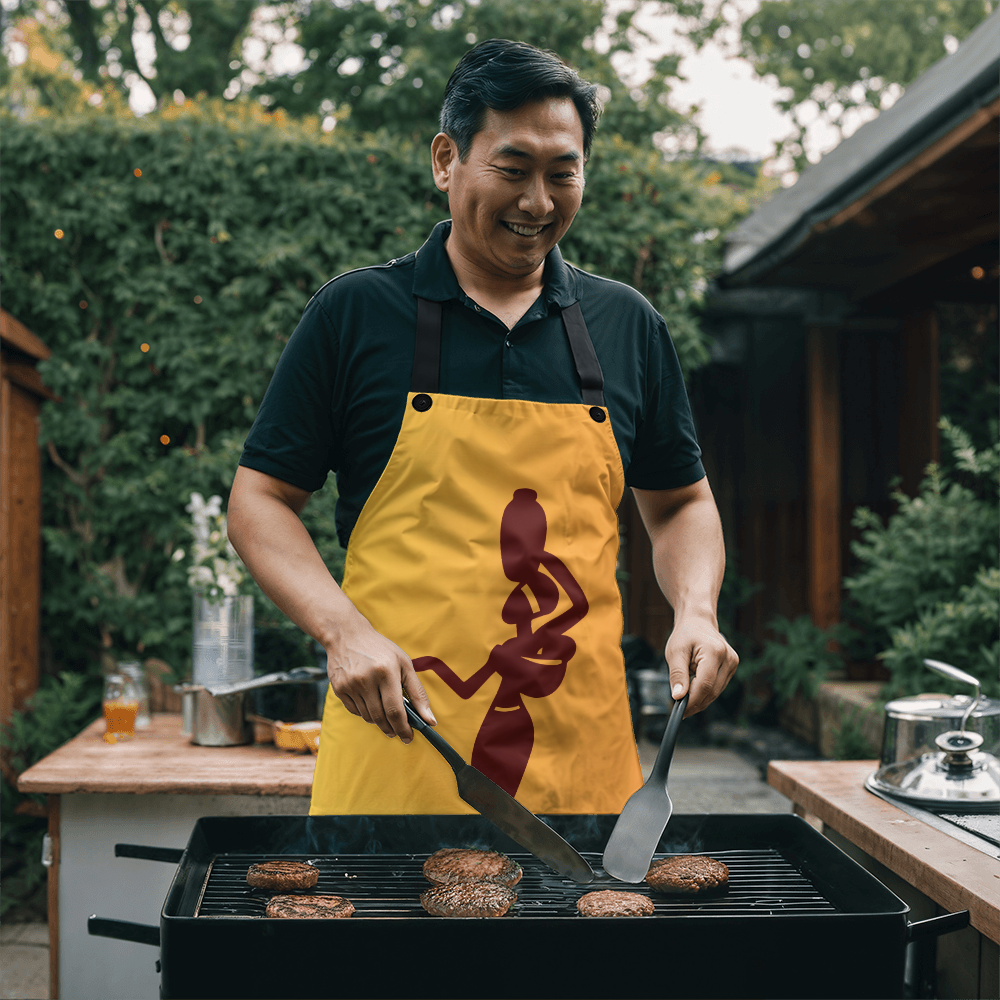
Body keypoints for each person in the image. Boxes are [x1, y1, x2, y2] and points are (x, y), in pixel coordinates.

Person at [228, 39, 738, 816]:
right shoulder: (355, 314)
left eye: (563, 172)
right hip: (398, 752)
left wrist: (695, 610)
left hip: (582, 769)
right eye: (513, 167)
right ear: (446, 160)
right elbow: (259, 500)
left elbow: (679, 504)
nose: (539, 200)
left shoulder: (626, 325)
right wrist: (342, 633)